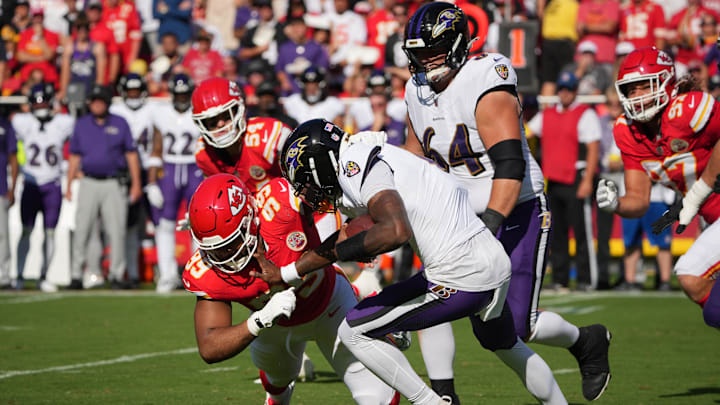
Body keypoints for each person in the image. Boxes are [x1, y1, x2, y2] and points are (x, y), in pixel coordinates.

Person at [253, 118, 568, 405]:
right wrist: (289, 271)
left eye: (307, 179)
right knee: (506, 345)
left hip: (459, 275)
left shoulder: (353, 163)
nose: (308, 189)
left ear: (323, 161)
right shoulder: (369, 152)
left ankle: (429, 402)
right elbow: (347, 236)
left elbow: (394, 230)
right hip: (491, 259)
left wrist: (349, 248)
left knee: (354, 330)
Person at [402, 3, 610, 401]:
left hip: (515, 206)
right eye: (418, 53)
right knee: (435, 296)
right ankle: (444, 394)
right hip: (458, 211)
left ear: (460, 44)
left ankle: (586, 340)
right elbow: (415, 158)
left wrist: (490, 226)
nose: (426, 62)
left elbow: (510, 166)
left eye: (434, 51)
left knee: (516, 325)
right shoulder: (416, 90)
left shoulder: (483, 79)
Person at [182, 173, 399, 405]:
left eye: (229, 245)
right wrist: (260, 320)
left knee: (379, 396)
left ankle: (378, 315)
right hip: (274, 325)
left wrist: (350, 238)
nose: (223, 257)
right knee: (277, 380)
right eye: (215, 250)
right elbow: (209, 346)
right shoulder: (207, 270)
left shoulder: (281, 205)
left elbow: (331, 191)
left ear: (250, 219)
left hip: (329, 303)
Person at [598, 46, 720, 329]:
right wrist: (616, 204)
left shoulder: (686, 109)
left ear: (666, 82)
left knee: (693, 277)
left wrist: (701, 189)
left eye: (645, 87)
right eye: (631, 90)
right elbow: (639, 199)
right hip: (712, 220)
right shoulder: (628, 132)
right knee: (701, 293)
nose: (638, 97)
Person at [527, 71, 602, 292]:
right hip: (554, 180)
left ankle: (586, 279)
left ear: (575, 91)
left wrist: (588, 179)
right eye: (561, 89)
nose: (564, 93)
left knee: (581, 233)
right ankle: (560, 279)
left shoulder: (584, 114)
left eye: (568, 89)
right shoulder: (548, 115)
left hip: (575, 178)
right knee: (556, 233)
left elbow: (593, 148)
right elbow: (527, 132)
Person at [66, 84, 143, 289]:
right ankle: (76, 274)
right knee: (82, 228)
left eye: (100, 101)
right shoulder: (82, 124)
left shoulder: (120, 122)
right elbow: (74, 156)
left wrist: (136, 183)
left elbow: (131, 154)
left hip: (113, 182)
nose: (97, 105)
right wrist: (68, 183)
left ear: (107, 103)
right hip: (89, 181)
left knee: (116, 230)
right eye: (94, 101)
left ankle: (117, 275)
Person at [11, 83, 74, 292]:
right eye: (37, 104)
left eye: (45, 103)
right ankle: (19, 275)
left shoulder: (63, 122)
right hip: (30, 183)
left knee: (50, 233)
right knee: (26, 231)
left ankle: (44, 275)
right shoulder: (22, 122)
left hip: (53, 184)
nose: (41, 107)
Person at [148, 73, 201, 293]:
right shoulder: (160, 114)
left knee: (200, 225)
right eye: (178, 94)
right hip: (169, 168)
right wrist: (151, 182)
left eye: (185, 94)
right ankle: (167, 275)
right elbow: (157, 148)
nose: (181, 98)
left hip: (194, 167)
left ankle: (200, 273)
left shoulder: (199, 114)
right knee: (165, 224)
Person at [110, 73, 164, 288]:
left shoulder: (153, 109)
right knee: (129, 225)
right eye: (129, 92)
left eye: (136, 92)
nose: (133, 96)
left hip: (149, 170)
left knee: (160, 221)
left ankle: (164, 272)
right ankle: (131, 272)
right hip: (124, 172)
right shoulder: (115, 111)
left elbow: (159, 137)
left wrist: (153, 174)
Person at [0, 110, 18, 290]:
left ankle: (4, 276)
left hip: (0, 188)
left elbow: (13, 157)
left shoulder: (5, 125)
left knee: (2, 235)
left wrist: (13, 187)